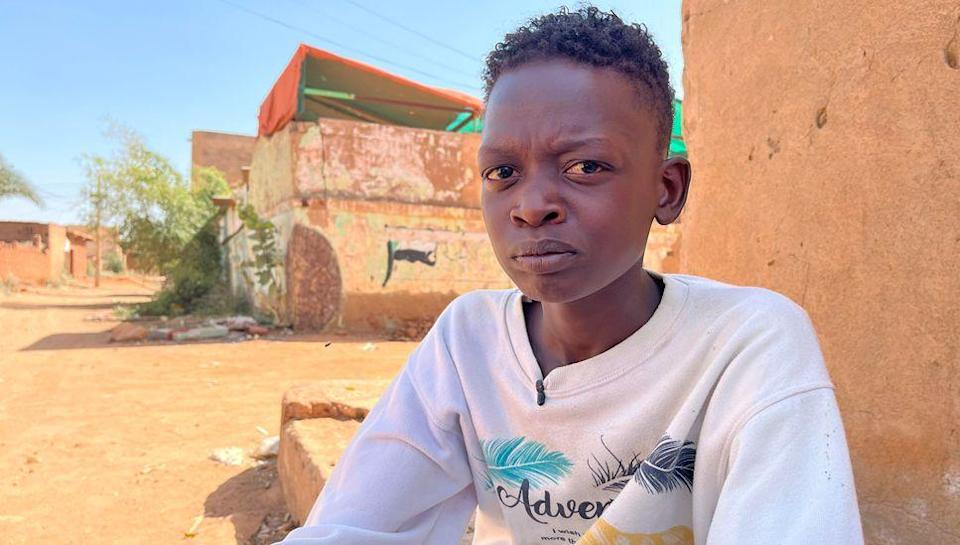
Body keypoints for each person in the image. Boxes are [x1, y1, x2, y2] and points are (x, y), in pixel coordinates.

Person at [277, 6, 864, 545]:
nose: (531, 205)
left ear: (667, 189)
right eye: (502, 171)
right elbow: (350, 524)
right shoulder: (468, 341)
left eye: (586, 166)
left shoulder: (747, 345)